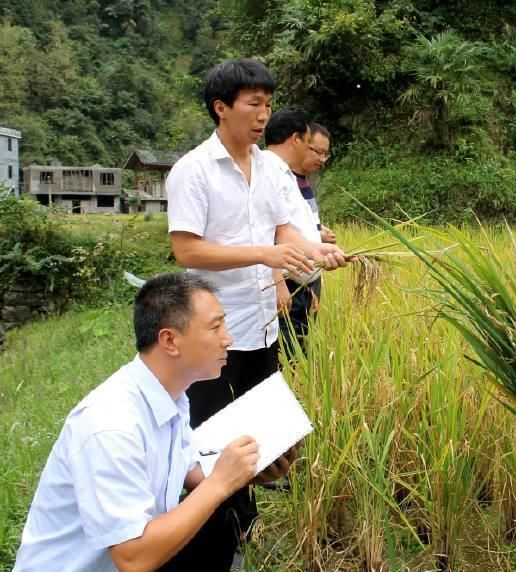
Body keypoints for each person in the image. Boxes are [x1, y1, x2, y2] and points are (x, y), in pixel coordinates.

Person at [164, 59, 346, 570]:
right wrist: (263, 254)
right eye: (253, 104)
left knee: (263, 434)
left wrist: (315, 251)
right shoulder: (193, 170)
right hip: (211, 333)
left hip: (264, 324)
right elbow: (187, 250)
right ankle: (213, 541)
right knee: (212, 439)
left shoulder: (271, 169)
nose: (263, 114)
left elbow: (287, 230)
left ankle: (243, 528)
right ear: (221, 108)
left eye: (268, 104)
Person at [12, 273, 296, 572]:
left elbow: (193, 471)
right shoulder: (111, 425)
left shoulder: (170, 397)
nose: (228, 338)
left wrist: (251, 469)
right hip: (120, 560)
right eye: (216, 326)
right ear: (170, 340)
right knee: (216, 496)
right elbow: (132, 558)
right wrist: (221, 481)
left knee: (222, 507)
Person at [263, 108, 324, 355]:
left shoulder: (285, 173)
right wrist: (277, 283)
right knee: (286, 355)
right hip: (288, 283)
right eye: (309, 143)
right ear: (295, 139)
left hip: (300, 283)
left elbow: (289, 227)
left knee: (297, 351)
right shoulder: (268, 171)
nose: (310, 150)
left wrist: (319, 248)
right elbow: (268, 233)